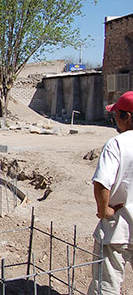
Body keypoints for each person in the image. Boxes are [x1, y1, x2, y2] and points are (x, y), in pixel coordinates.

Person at [88, 91, 133, 295]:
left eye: (117, 114)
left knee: (106, 283)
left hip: (119, 226)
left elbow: (101, 183)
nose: (113, 118)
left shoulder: (117, 144)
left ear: (127, 117)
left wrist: (104, 210)